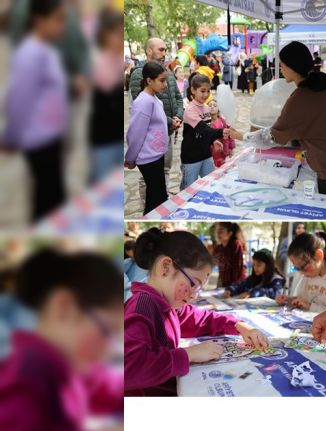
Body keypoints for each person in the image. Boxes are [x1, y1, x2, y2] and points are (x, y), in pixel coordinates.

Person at [124, 228, 269, 396]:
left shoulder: (168, 306)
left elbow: (202, 319)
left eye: (199, 289)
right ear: (165, 267)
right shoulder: (142, 307)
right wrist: (188, 355)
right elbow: (128, 368)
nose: (194, 295)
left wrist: (239, 326)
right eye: (193, 283)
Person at [0, 250, 124, 428]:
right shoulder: (24, 388)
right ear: (64, 306)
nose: (107, 352)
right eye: (106, 331)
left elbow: (107, 387)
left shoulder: (67, 366)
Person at [243, 42, 326, 197]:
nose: (281, 69)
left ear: (293, 66)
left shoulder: (301, 98)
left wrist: (241, 136)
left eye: (282, 65)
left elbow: (271, 138)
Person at [2, 0, 68, 221]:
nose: (62, 25)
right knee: (47, 200)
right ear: (39, 19)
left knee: (52, 197)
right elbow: (19, 99)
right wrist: (11, 136)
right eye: (58, 19)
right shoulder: (30, 53)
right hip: (39, 140)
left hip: (51, 137)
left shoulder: (46, 50)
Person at [129, 38, 183, 198]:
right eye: (161, 49)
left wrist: (178, 116)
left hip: (168, 132)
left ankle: (161, 201)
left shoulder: (168, 73)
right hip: (151, 137)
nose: (164, 53)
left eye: (165, 50)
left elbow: (178, 98)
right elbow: (144, 107)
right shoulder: (139, 73)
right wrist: (170, 121)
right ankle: (149, 206)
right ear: (148, 51)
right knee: (148, 179)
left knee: (165, 170)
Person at [180, 73, 241, 190]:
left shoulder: (206, 108)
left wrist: (213, 141)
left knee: (211, 184)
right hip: (191, 157)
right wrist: (220, 132)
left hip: (206, 154)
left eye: (208, 91)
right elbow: (203, 129)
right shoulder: (190, 110)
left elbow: (209, 129)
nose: (206, 94)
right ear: (193, 90)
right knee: (188, 188)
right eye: (202, 91)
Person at [125, 61, 169, 215]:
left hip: (156, 155)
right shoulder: (143, 102)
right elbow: (135, 133)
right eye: (162, 81)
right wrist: (130, 158)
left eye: (166, 80)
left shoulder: (154, 99)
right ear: (149, 81)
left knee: (155, 196)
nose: (165, 85)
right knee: (159, 198)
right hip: (149, 158)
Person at [276, 232, 326, 313]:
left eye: (303, 267)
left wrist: (311, 307)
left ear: (318, 255)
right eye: (297, 268)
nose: (301, 273)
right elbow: (303, 300)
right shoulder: (309, 275)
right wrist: (288, 300)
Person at [89, 7, 124, 184]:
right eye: (117, 34)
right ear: (104, 34)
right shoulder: (96, 61)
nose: (120, 39)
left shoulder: (116, 61)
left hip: (114, 136)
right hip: (102, 140)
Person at [212, 222, 247, 289]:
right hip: (224, 282)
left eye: (221, 231)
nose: (218, 234)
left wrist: (233, 288)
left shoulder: (236, 245)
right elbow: (213, 263)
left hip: (237, 283)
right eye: (217, 231)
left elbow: (237, 268)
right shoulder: (218, 248)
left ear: (230, 233)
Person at [208, 99, 236, 168]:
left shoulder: (223, 121)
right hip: (212, 152)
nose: (212, 107)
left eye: (214, 105)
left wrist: (231, 148)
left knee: (224, 168)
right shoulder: (207, 123)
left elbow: (230, 134)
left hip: (224, 150)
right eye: (210, 105)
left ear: (218, 109)